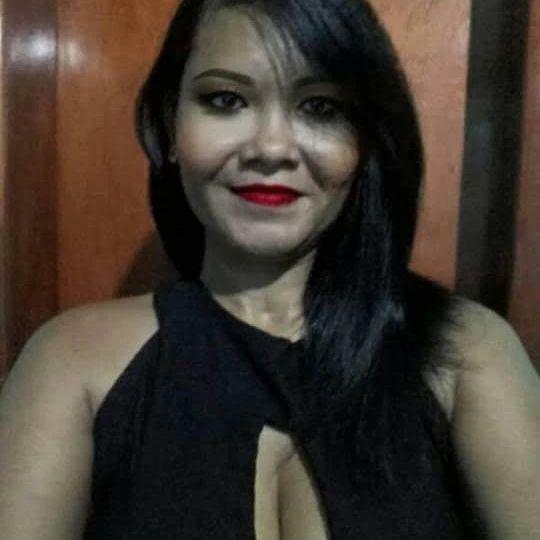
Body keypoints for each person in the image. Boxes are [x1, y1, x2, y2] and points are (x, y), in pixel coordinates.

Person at [0, 0, 538, 538]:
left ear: (365, 139)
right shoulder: (71, 364)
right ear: (170, 124)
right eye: (226, 100)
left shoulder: (468, 354)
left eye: (321, 107)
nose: (271, 148)